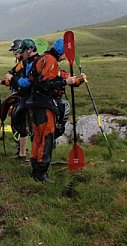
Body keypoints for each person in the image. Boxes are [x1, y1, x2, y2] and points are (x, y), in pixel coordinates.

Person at [25, 38, 86, 183]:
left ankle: (36, 170)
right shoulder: (50, 61)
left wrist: (78, 80)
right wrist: (66, 82)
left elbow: (61, 75)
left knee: (37, 138)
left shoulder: (45, 59)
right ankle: (41, 173)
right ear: (60, 51)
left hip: (35, 104)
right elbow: (44, 84)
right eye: (65, 53)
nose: (66, 56)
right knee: (46, 138)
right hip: (44, 105)